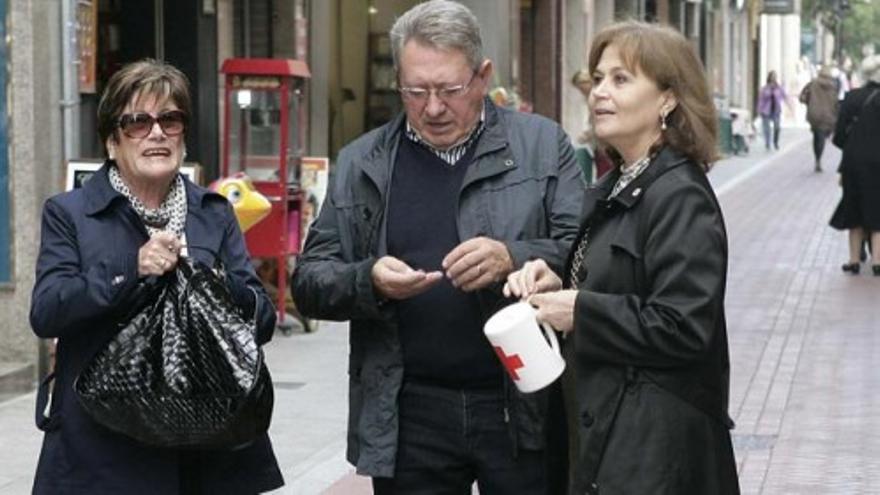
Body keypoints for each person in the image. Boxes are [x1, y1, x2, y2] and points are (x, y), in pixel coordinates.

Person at [290, 1, 583, 493]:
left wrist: (511, 256)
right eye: (414, 90)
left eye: (450, 89)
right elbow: (310, 280)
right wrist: (368, 280)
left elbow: (585, 256)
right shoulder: (363, 162)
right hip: (409, 410)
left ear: (483, 76)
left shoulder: (543, 145)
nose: (432, 107)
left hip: (520, 403)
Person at [504, 21, 740, 494]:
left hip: (653, 453)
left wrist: (579, 310)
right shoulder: (617, 183)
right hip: (605, 436)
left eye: (621, 79)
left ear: (668, 99)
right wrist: (557, 281)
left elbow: (684, 325)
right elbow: (619, 282)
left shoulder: (679, 194)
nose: (599, 93)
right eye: (598, 78)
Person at [29, 59, 284, 493]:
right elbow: (48, 311)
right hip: (101, 448)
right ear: (112, 140)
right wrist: (132, 268)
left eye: (170, 119)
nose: (156, 133)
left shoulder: (213, 214)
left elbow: (260, 321)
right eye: (137, 122)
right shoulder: (70, 213)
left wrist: (215, 284)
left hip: (205, 443)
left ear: (183, 135)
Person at [830, 54, 880, 276]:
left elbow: (839, 135)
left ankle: (853, 260)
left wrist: (854, 147)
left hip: (854, 162)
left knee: (854, 207)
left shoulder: (851, 98)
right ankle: (878, 260)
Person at [799, 65, 839, 171]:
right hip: (827, 116)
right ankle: (818, 159)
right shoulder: (833, 86)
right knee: (821, 138)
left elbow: (802, 96)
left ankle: (817, 159)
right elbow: (835, 102)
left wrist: (809, 103)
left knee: (816, 137)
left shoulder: (813, 83)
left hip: (814, 114)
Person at [758, 70, 788, 150]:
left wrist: (789, 105)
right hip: (766, 110)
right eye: (772, 76)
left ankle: (775, 142)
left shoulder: (779, 88)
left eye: (775, 76)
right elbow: (761, 99)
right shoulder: (765, 88)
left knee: (777, 127)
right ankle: (767, 143)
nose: (773, 78)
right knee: (766, 128)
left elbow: (784, 96)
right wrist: (759, 109)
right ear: (769, 78)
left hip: (776, 110)